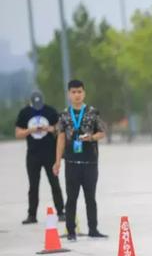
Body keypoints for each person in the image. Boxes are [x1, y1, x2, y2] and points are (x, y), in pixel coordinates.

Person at [53, 80, 108, 240]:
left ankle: (93, 229)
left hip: (90, 161)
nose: (77, 95)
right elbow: (61, 139)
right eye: (73, 92)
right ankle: (71, 231)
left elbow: (102, 132)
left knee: (90, 197)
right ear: (69, 94)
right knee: (71, 198)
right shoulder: (63, 115)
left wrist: (91, 137)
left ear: (84, 93)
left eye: (79, 92)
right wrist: (57, 161)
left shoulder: (92, 112)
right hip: (71, 162)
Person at [15, 91, 65, 224]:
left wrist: (49, 128)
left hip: (49, 153)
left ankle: (61, 212)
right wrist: (30, 130)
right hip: (33, 154)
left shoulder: (50, 111)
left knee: (54, 183)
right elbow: (18, 133)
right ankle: (32, 215)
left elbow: (61, 127)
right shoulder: (24, 113)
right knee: (33, 185)